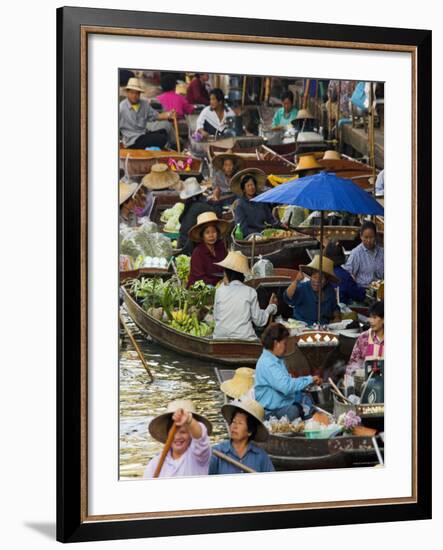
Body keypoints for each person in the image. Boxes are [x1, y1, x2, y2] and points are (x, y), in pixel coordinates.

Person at [255, 323, 322, 420]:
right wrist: (310, 379)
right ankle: (305, 413)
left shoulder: (276, 359)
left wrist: (306, 382)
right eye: (284, 344)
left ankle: (306, 412)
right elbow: (286, 387)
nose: (286, 348)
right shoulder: (268, 363)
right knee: (294, 411)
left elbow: (287, 381)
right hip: (271, 411)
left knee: (305, 398)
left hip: (283, 401)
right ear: (276, 343)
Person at [213, 251, 278, 340]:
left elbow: (216, 316)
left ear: (226, 274)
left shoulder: (219, 290)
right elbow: (260, 321)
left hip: (219, 339)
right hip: (244, 340)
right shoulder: (250, 292)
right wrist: (272, 307)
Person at [144, 400, 212, 478]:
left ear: (191, 435)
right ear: (168, 433)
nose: (177, 437)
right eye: (173, 433)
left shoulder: (199, 457)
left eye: (183, 432)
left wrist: (189, 420)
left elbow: (200, 438)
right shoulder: (155, 463)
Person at [209, 400, 275, 474]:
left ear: (250, 431)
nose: (234, 426)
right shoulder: (217, 452)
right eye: (233, 422)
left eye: (240, 423)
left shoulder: (260, 456)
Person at [119, 77, 177, 149]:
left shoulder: (144, 104)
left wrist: (169, 114)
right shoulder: (121, 108)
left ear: (140, 94)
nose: (134, 96)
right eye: (132, 93)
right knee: (161, 138)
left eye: (137, 93)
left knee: (164, 131)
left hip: (143, 135)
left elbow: (157, 116)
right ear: (127, 93)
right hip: (132, 141)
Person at [283, 255, 341, 325]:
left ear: (326, 280)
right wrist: (296, 280)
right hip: (302, 327)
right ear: (310, 277)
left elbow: (335, 307)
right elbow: (287, 296)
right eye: (314, 277)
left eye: (321, 278)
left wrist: (337, 317)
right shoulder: (303, 288)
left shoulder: (329, 290)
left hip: (324, 327)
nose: (317, 281)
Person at [187, 212, 229, 287]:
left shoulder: (221, 247)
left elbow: (227, 266)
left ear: (217, 233)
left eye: (214, 232)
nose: (211, 236)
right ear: (202, 236)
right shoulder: (198, 252)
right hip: (200, 286)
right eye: (207, 233)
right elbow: (199, 278)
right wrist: (217, 283)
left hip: (220, 283)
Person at [232, 169, 278, 238]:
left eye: (252, 185)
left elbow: (270, 218)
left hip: (264, 233)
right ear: (244, 189)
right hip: (250, 236)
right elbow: (242, 229)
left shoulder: (261, 200)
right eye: (248, 186)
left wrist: (280, 224)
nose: (251, 187)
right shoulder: (240, 205)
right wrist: (259, 234)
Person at [178, 178, 215, 255]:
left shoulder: (189, 204)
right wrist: (216, 201)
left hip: (182, 242)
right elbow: (216, 214)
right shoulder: (199, 206)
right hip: (189, 247)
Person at [346, 300, 384, 375]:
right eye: (370, 317)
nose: (371, 321)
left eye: (375, 317)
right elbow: (353, 363)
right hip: (365, 382)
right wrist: (356, 373)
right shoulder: (363, 337)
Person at [343, 220, 384, 288]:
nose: (368, 240)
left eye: (371, 237)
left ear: (376, 236)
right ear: (361, 237)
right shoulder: (356, 253)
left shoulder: (382, 252)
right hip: (363, 292)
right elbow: (348, 274)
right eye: (366, 237)